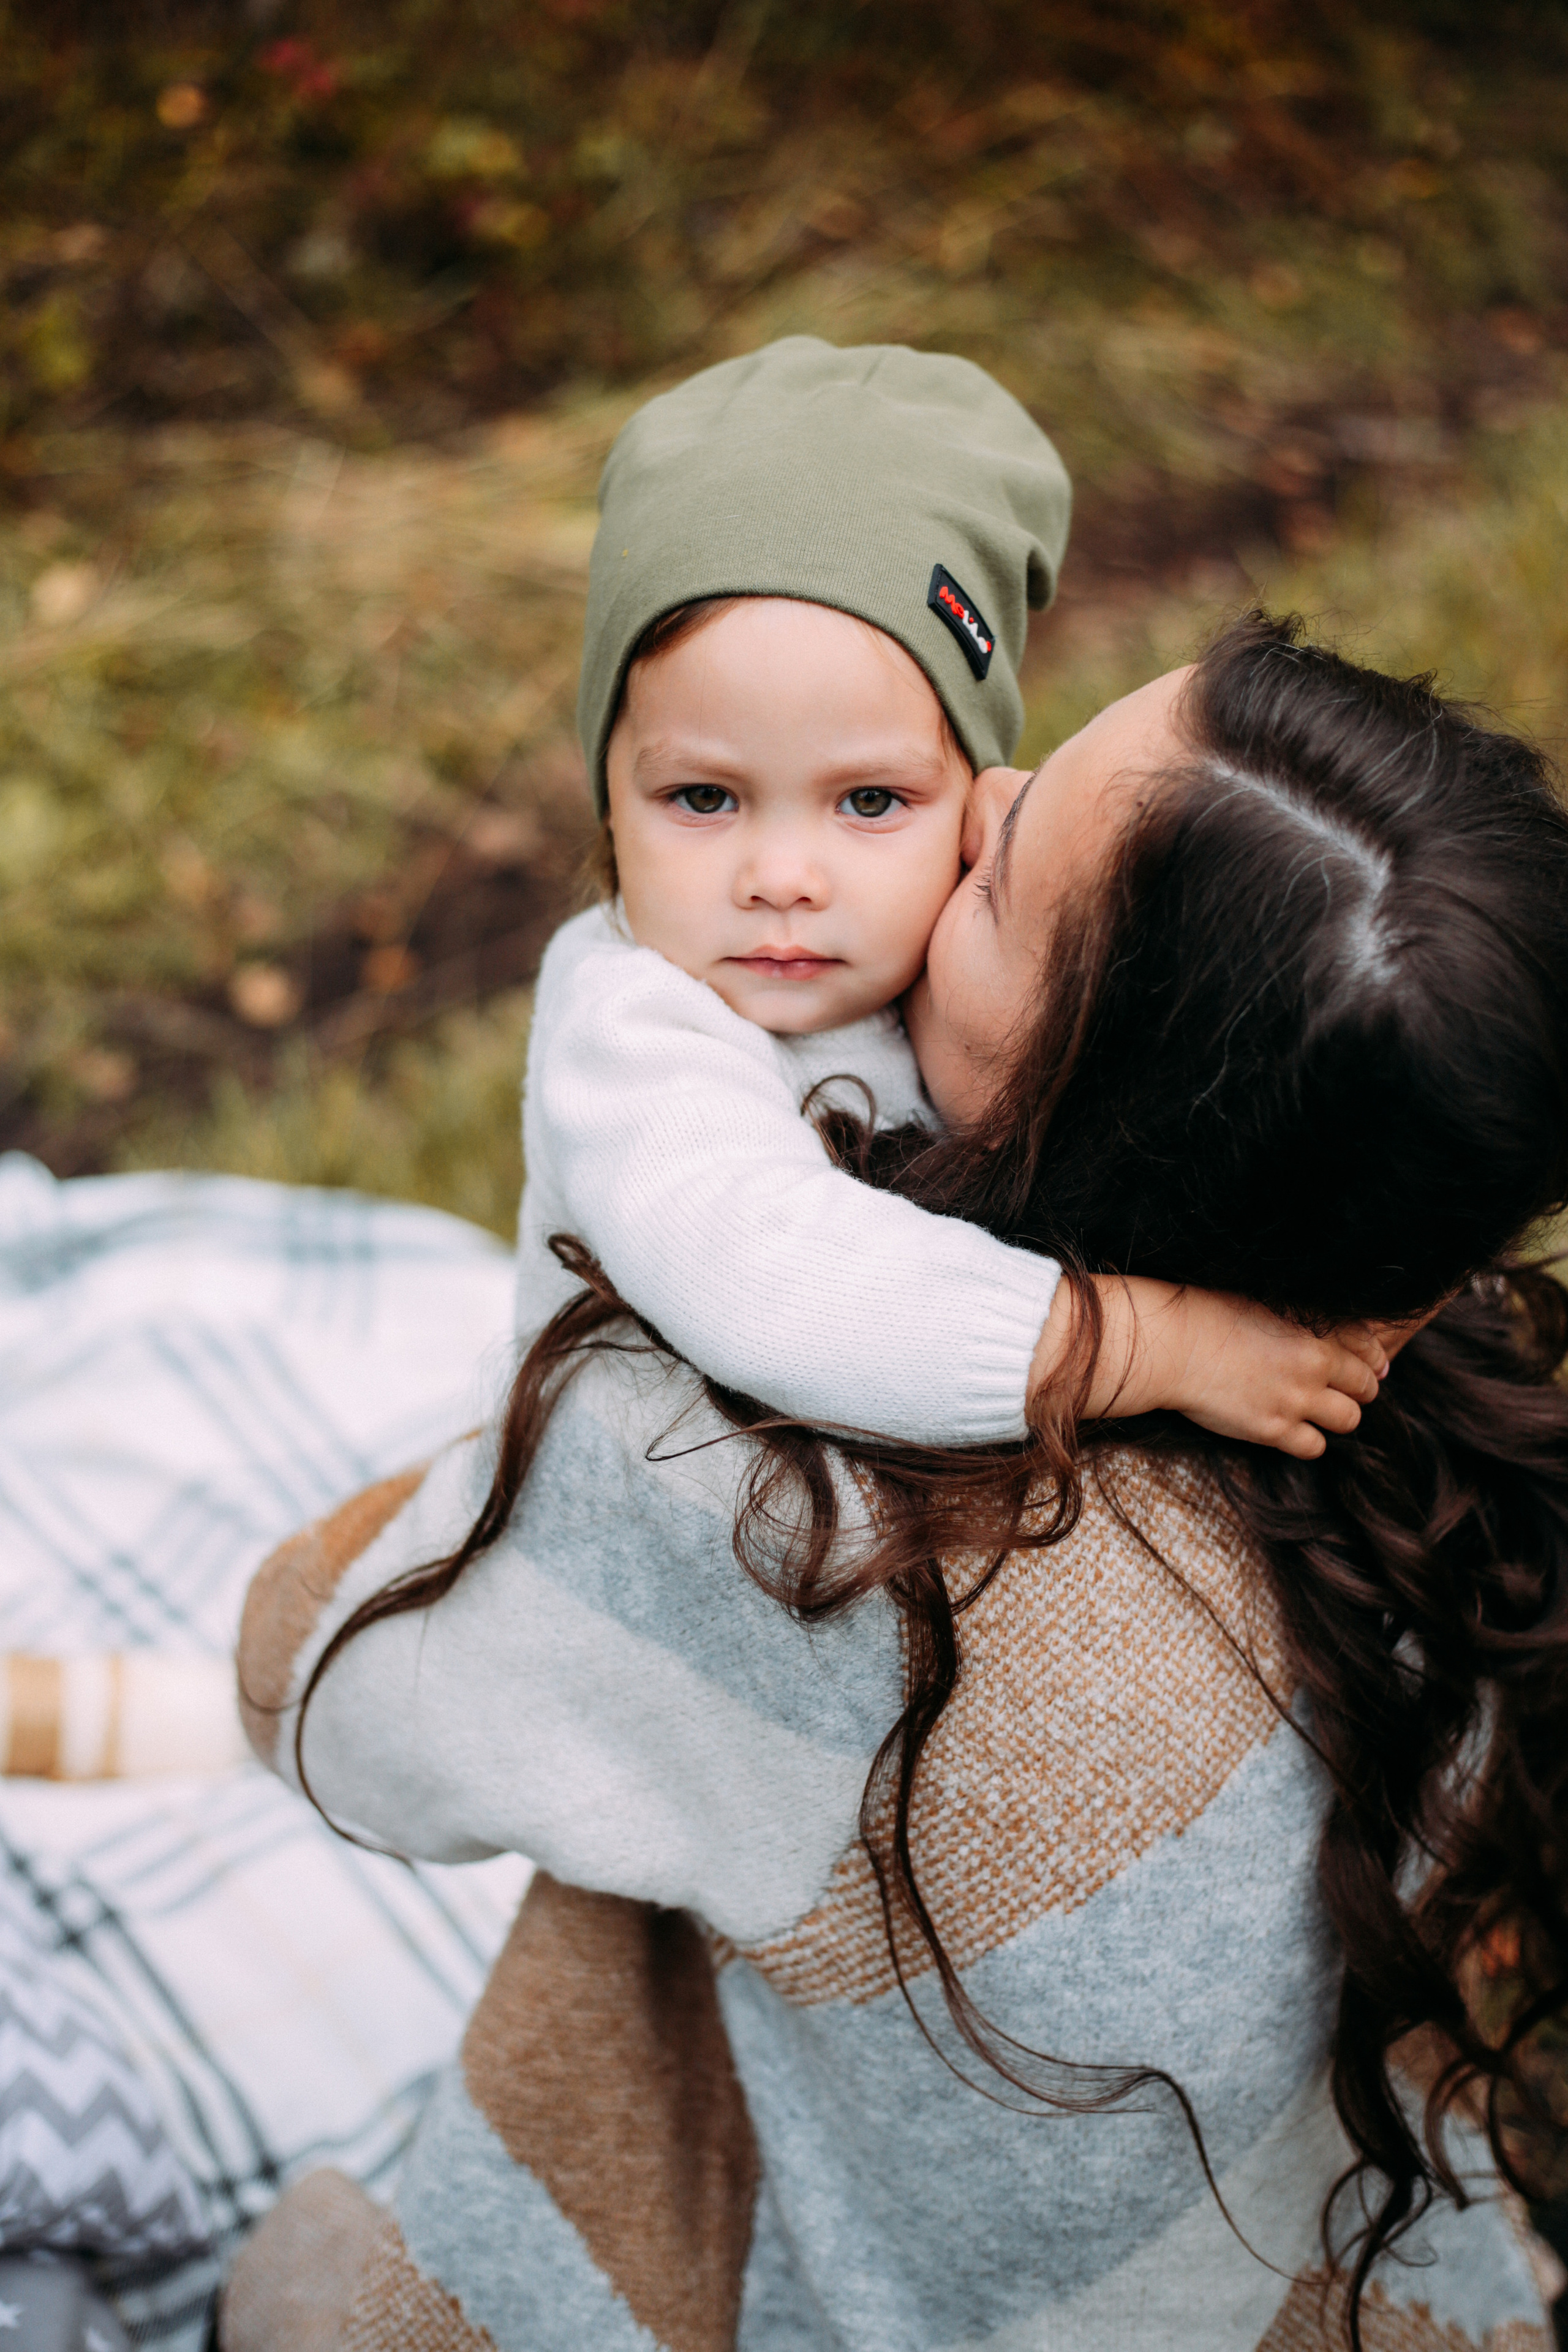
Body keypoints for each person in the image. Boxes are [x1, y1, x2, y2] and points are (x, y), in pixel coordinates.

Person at [226, 612, 1568, 2352]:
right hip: (1311, 2294)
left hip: (849, 2300)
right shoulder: (1447, 1419)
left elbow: (320, 1693)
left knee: (298, 2290)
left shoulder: (804, 1519)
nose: (980, 790)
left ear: (1092, 1096)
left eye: (1002, 878)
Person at [516, 336, 1385, 1465]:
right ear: (609, 802)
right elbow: (768, 1279)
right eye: (703, 797)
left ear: (974, 805)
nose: (783, 877)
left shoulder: (954, 970)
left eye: (869, 801)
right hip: (604, 1535)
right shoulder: (634, 1027)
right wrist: (1145, 1346)